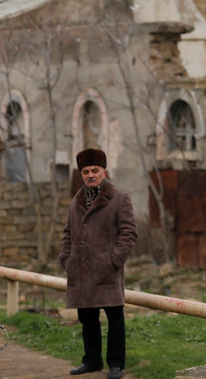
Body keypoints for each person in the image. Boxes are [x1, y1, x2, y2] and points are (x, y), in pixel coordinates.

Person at [60, 148, 137, 379]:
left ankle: (116, 364)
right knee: (87, 319)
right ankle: (92, 361)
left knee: (115, 318)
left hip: (107, 271)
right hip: (81, 271)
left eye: (95, 170)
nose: (90, 175)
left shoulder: (119, 198)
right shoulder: (76, 201)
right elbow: (67, 233)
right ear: (81, 173)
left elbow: (129, 233)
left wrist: (113, 261)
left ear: (104, 171)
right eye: (85, 171)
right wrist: (67, 259)